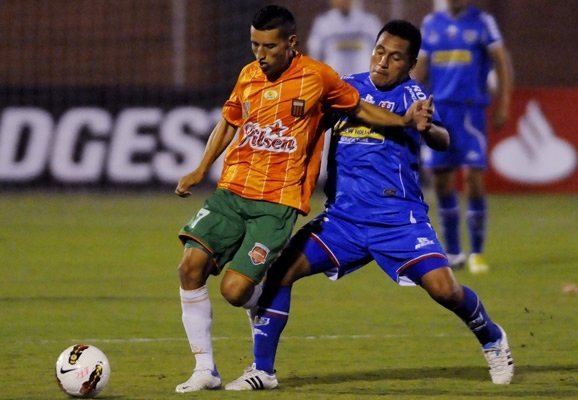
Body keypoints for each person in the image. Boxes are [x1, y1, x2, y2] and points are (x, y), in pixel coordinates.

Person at [225, 19, 514, 391]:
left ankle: (491, 337)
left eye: (395, 58)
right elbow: (307, 122)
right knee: (280, 272)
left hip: (398, 220)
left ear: (410, 65)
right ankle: (262, 370)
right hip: (342, 220)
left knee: (445, 290)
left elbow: (443, 140)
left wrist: (427, 129)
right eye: (380, 51)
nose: (383, 61)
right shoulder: (345, 90)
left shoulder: (413, 98)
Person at [173, 5, 431, 393]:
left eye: (269, 46)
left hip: (277, 201)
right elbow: (229, 120)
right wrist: (199, 168)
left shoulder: (318, 77)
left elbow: (358, 107)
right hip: (232, 190)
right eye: (254, 45)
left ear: (291, 43)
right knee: (189, 267)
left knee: (234, 291)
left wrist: (404, 121)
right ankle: (205, 369)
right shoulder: (248, 75)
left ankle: (264, 305)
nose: (260, 54)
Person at [412, 0, 513, 274]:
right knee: (442, 182)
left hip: (471, 114)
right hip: (439, 113)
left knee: (474, 179)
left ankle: (477, 252)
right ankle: (454, 252)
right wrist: (408, 99)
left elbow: (500, 61)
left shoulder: (482, 22)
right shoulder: (432, 24)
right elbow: (420, 69)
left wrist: (503, 102)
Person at [307, 0, 382, 76]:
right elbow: (315, 55)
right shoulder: (323, 23)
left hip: (363, 81)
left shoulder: (369, 21)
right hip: (335, 81)